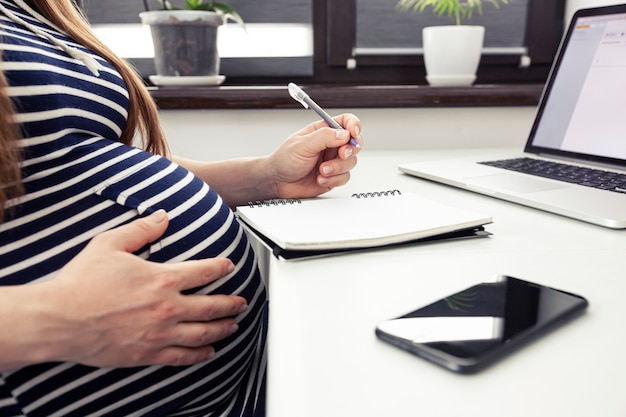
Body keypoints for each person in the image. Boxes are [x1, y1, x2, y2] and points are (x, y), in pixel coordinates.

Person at [0, 0, 363, 416]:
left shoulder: (34, 7)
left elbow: (79, 162)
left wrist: (266, 178)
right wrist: (57, 318)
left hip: (239, 383)